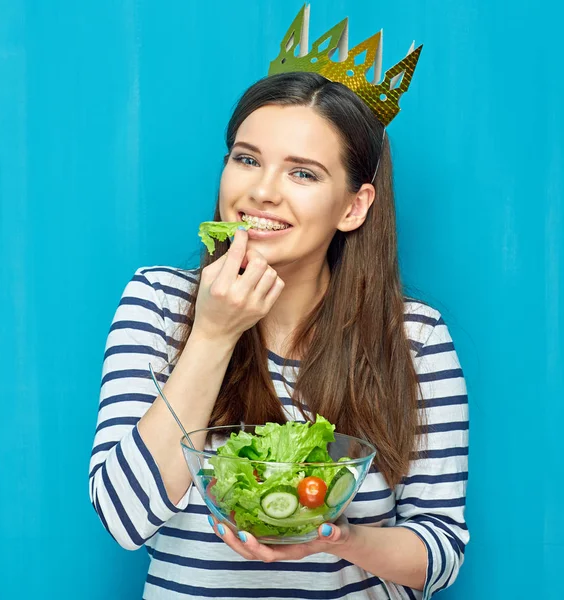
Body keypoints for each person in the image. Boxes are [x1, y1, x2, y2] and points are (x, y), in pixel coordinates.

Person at [89, 12, 469, 600]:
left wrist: (334, 536)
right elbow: (123, 518)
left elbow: (439, 551)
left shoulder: (415, 337)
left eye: (303, 172)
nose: (262, 190)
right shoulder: (160, 302)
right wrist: (213, 336)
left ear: (354, 206)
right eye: (246, 159)